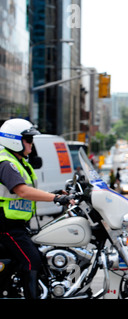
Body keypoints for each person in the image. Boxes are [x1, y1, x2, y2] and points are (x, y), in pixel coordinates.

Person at [0, 119, 73, 299]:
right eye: (29, 140)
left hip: (16, 225)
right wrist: (56, 198)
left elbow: (25, 192)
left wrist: (53, 193)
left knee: (37, 255)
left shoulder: (18, 162)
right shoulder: (6, 163)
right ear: (14, 140)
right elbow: (22, 191)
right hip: (6, 226)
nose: (32, 144)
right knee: (32, 261)